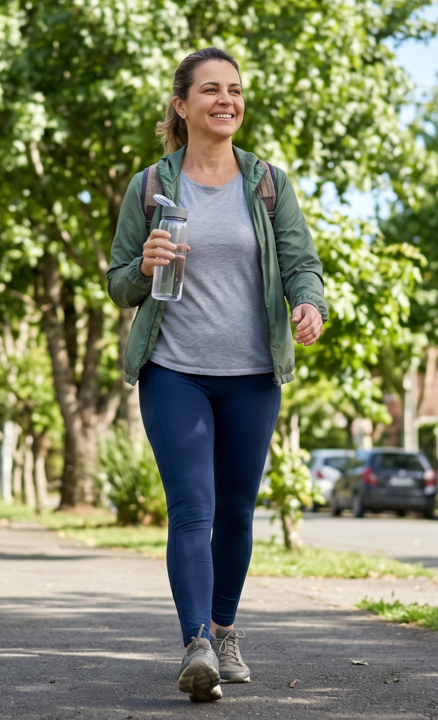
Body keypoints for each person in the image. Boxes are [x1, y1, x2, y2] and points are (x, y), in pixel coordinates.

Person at [105, 47, 328, 703]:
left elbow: (300, 261)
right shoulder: (149, 186)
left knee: (235, 513)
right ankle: (196, 643)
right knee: (192, 509)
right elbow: (119, 285)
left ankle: (226, 632)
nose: (225, 100)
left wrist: (308, 302)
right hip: (175, 371)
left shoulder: (267, 182)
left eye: (234, 89)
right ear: (181, 105)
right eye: (210, 90)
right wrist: (143, 266)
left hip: (253, 374)